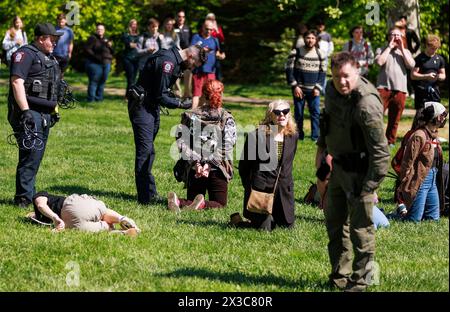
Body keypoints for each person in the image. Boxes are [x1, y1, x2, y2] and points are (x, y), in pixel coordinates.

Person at [316, 52, 390, 291]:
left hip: (361, 174)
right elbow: (328, 120)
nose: (342, 82)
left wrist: (369, 187)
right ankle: (339, 277)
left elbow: (381, 153)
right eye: (337, 76)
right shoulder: (331, 89)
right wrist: (322, 151)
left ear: (357, 72)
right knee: (335, 225)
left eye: (346, 76)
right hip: (338, 168)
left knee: (361, 231)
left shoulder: (366, 104)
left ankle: (360, 282)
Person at [128, 43, 208, 204]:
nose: (191, 69)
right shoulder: (168, 62)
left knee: (149, 151)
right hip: (142, 107)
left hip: (150, 107)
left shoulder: (172, 57)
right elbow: (161, 95)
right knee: (145, 151)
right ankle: (144, 198)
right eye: (193, 65)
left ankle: (149, 192)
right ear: (190, 56)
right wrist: (180, 104)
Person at [7, 22, 62, 208]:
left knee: (36, 155)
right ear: (40, 38)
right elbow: (17, 83)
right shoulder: (25, 54)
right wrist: (25, 112)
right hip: (30, 112)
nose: (55, 42)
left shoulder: (48, 57)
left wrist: (54, 110)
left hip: (45, 113)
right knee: (30, 154)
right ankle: (23, 198)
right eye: (52, 39)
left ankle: (28, 193)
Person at [168, 79, 236, 212]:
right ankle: (202, 204)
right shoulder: (226, 117)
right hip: (218, 168)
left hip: (195, 170)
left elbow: (182, 142)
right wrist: (209, 164)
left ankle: (178, 201)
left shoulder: (189, 115)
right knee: (220, 204)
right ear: (220, 94)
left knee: (192, 200)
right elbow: (227, 145)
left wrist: (196, 163)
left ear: (203, 94)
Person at [235, 99, 299, 231]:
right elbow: (244, 166)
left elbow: (288, 163)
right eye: (277, 112)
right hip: (261, 191)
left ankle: (276, 215)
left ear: (289, 114)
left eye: (285, 112)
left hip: (283, 191)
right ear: (270, 115)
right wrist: (250, 186)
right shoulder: (257, 136)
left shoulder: (293, 136)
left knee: (287, 227)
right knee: (265, 229)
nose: (282, 115)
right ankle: (237, 222)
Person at [395, 101, 447, 222]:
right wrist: (404, 183)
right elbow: (407, 161)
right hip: (420, 181)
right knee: (414, 220)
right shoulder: (419, 135)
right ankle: (389, 217)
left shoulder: (434, 135)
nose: (444, 118)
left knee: (433, 219)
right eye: (442, 115)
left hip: (432, 180)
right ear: (435, 117)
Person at [375, 27, 415, 147]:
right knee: (377, 116)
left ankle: (390, 141)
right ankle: (377, 140)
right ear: (389, 37)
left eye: (398, 35)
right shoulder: (381, 49)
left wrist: (402, 49)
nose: (396, 37)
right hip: (383, 88)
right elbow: (379, 62)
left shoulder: (406, 51)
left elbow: (411, 65)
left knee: (395, 118)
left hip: (400, 89)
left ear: (402, 38)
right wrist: (389, 47)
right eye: (393, 35)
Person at [29, 191, 140, 235]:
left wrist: (55, 219)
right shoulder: (42, 196)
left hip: (71, 222)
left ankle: (120, 233)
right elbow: (40, 205)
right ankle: (122, 219)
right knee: (103, 213)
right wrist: (55, 217)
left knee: (106, 227)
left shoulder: (43, 219)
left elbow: (40, 206)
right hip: (71, 205)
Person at [285, 30, 326, 141]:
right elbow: (289, 70)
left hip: (314, 90)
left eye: (313, 38)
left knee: (315, 113)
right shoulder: (296, 52)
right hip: (299, 90)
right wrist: (295, 86)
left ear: (316, 39)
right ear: (304, 38)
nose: (310, 40)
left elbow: (323, 72)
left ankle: (315, 136)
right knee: (298, 114)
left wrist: (318, 87)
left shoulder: (320, 53)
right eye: (308, 37)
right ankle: (299, 135)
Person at [190, 20, 225, 109]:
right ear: (202, 27)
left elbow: (219, 54)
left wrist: (220, 56)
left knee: (210, 94)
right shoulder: (196, 37)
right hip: (198, 71)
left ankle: (209, 115)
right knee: (196, 94)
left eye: (211, 29)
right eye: (207, 29)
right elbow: (190, 52)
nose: (209, 31)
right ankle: (192, 116)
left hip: (211, 71)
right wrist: (202, 50)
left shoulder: (215, 40)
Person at [411, 35, 446, 110]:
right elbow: (413, 75)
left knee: (435, 114)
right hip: (421, 90)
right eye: (432, 48)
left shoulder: (440, 59)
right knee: (421, 115)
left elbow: (443, 75)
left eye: (436, 49)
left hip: (434, 90)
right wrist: (426, 76)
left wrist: (439, 76)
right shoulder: (419, 58)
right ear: (426, 45)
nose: (434, 51)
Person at [84, 23, 114, 102]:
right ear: (96, 30)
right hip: (95, 63)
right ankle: (91, 99)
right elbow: (87, 49)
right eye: (98, 29)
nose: (100, 31)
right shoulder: (92, 38)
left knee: (102, 81)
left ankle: (99, 98)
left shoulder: (106, 39)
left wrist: (110, 46)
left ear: (104, 31)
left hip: (106, 62)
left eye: (101, 29)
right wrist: (96, 57)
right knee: (94, 81)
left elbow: (112, 51)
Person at [175, 10, 192, 98]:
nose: (181, 18)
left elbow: (191, 41)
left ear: (184, 18)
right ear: (176, 17)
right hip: (176, 54)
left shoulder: (188, 28)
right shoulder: (173, 28)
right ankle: (177, 93)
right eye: (179, 16)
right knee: (175, 73)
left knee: (188, 73)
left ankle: (187, 94)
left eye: (183, 16)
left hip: (187, 55)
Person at [122, 19, 140, 96]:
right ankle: (128, 96)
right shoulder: (126, 35)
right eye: (132, 24)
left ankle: (131, 95)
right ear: (130, 25)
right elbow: (129, 45)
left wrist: (135, 45)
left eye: (135, 24)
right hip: (128, 59)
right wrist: (136, 45)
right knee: (130, 78)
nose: (134, 26)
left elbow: (137, 45)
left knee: (134, 78)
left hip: (136, 59)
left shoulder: (139, 35)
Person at [205, 13, 225, 81]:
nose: (212, 20)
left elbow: (222, 39)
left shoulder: (218, 28)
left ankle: (218, 87)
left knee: (218, 70)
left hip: (216, 52)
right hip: (207, 52)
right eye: (210, 19)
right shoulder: (205, 28)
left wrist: (216, 30)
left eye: (213, 19)